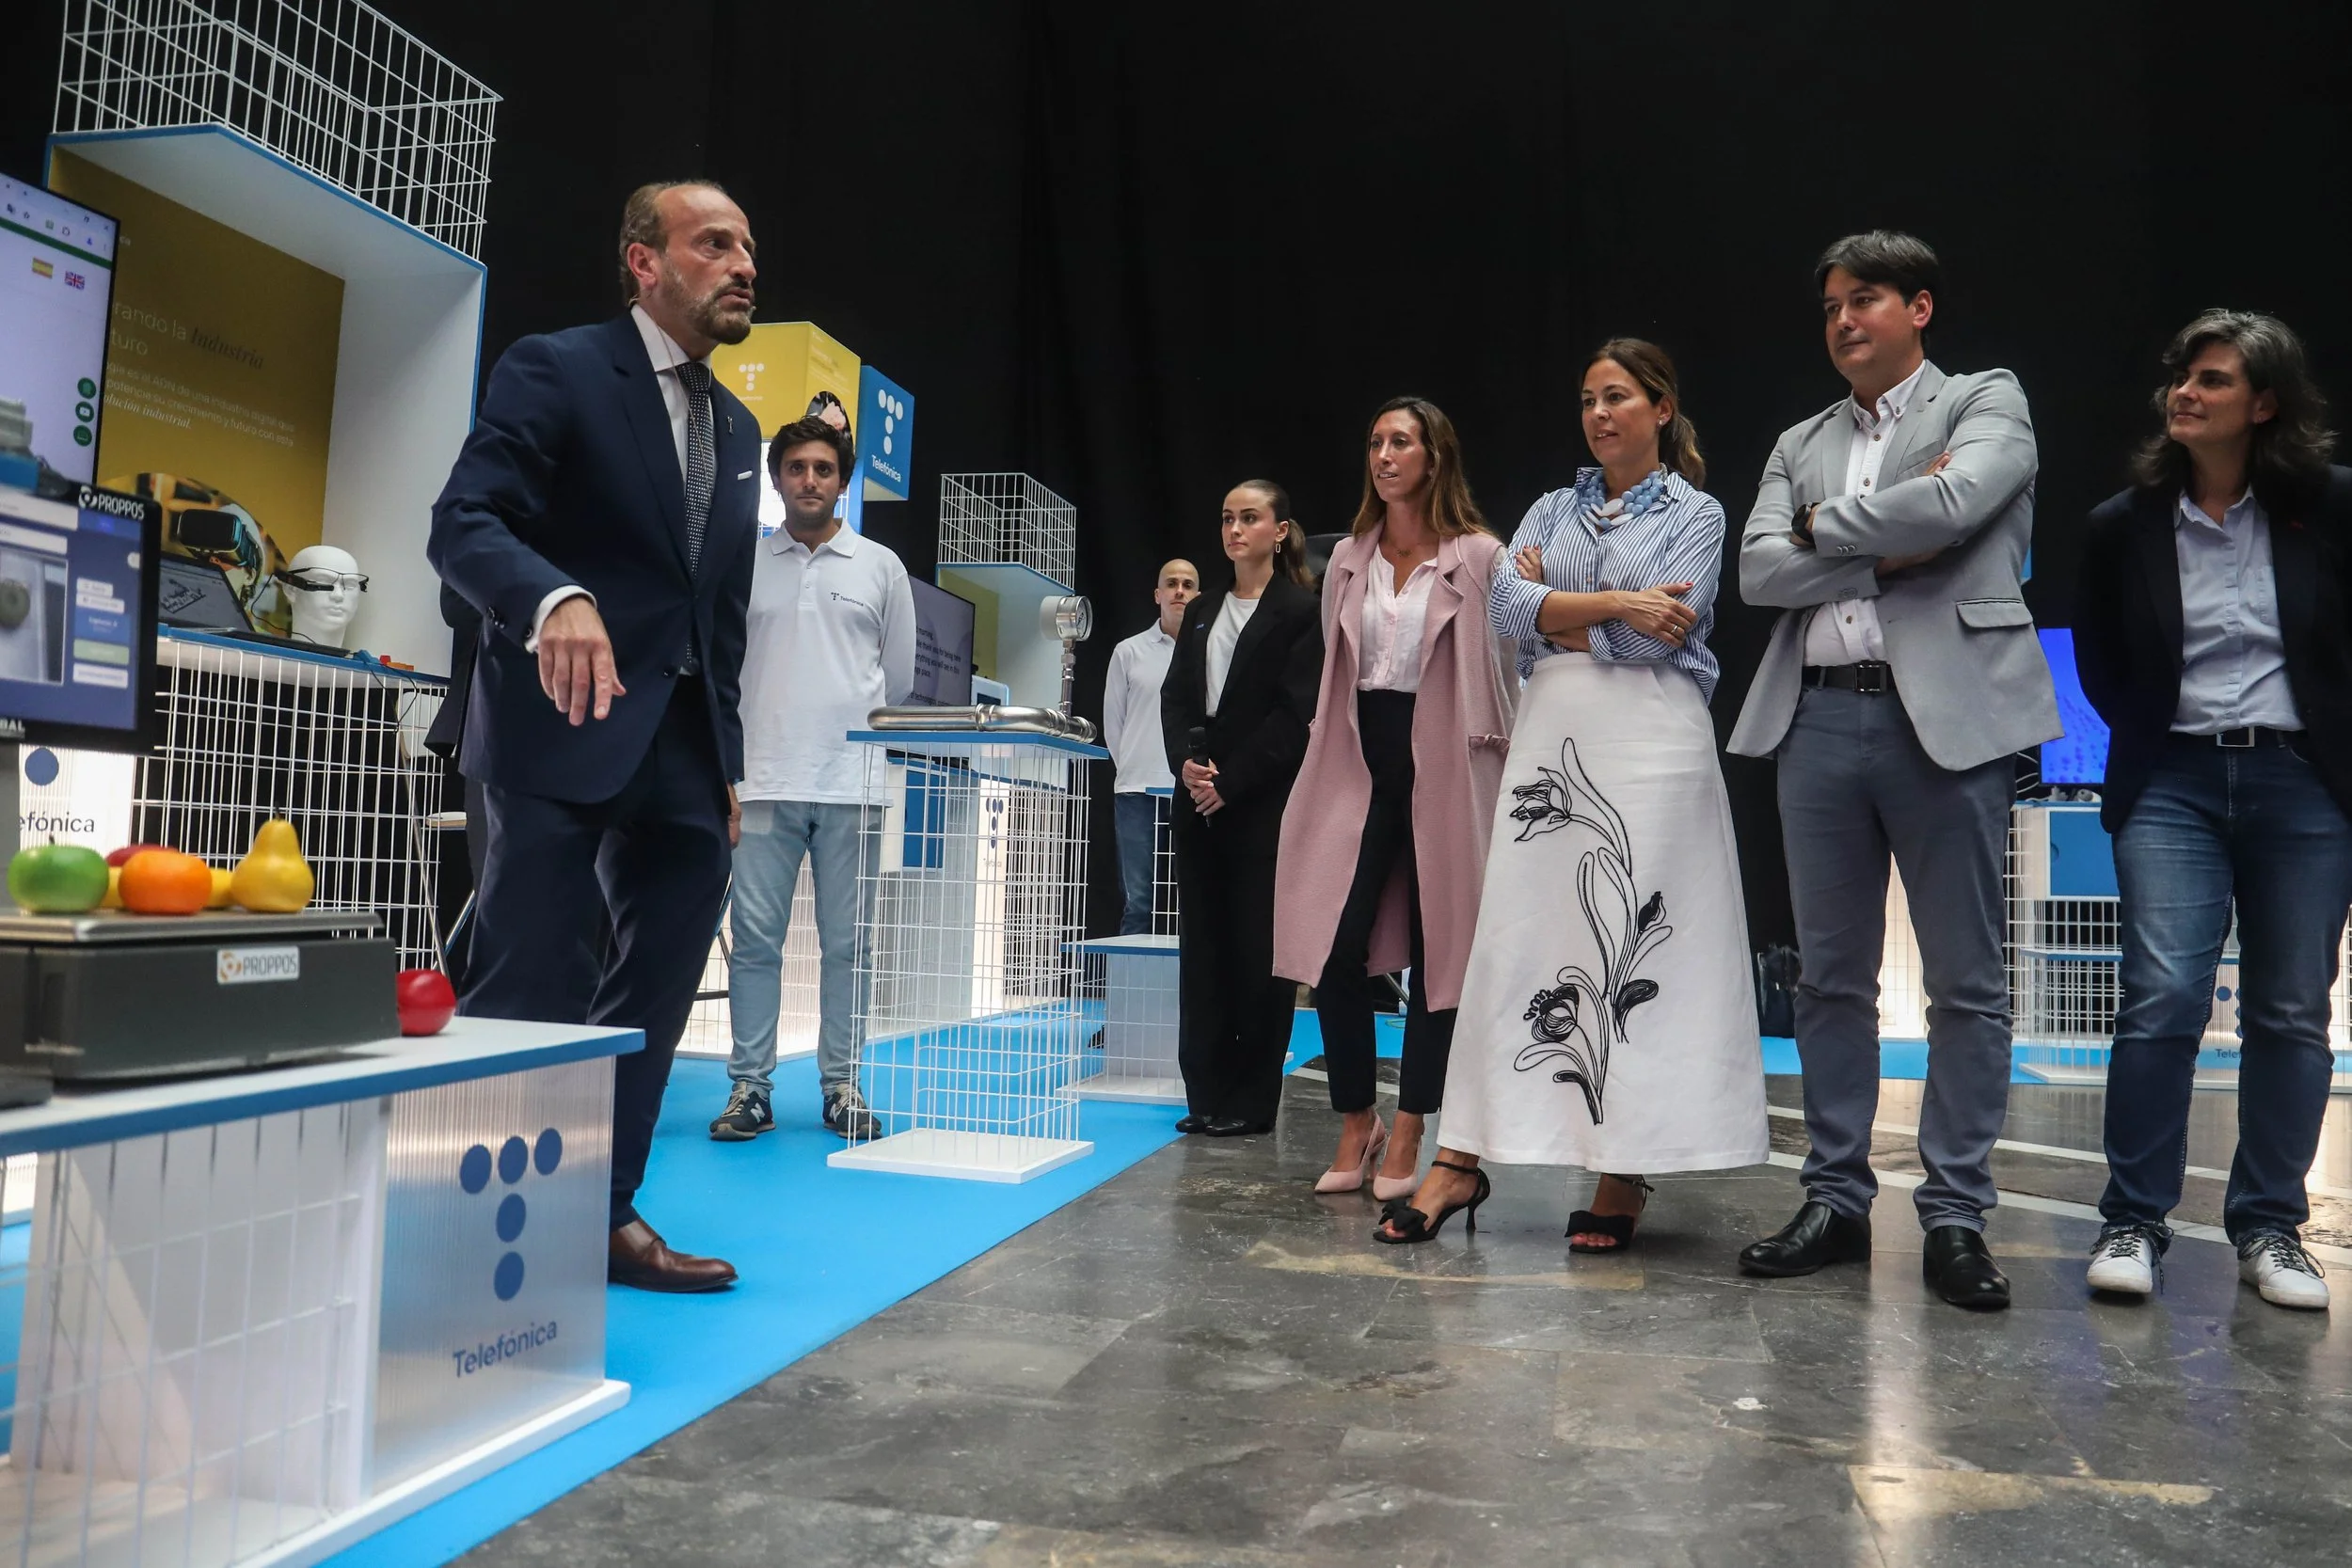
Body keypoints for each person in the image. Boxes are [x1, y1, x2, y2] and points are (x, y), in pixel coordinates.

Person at [428, 180, 763, 1293]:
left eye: (747, 249)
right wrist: (550, 596)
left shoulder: (739, 426)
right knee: (531, 979)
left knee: (656, 989)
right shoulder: (555, 367)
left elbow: (716, 618)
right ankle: (468, 1236)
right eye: (713, 244)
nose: (741, 265)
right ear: (643, 262)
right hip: (555, 726)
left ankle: (597, 1210)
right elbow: (464, 521)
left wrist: (728, 770)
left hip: (680, 752)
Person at [1726, 230, 2057, 1310]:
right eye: (1828, 305)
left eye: (1862, 299)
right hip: (1817, 723)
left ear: (1918, 306)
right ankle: (1834, 1195)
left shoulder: (1981, 400)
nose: (1840, 320)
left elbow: (1958, 507)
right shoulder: (1797, 436)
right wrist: (1874, 545)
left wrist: (1825, 529)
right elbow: (1758, 569)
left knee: (1967, 983)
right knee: (1827, 980)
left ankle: (1956, 1213)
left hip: (1943, 724)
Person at [1376, 344, 1768, 1245]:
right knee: (1517, 939)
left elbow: (1660, 640)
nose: (1599, 413)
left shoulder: (1699, 513)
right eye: (1588, 398)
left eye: (1618, 396)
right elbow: (1505, 613)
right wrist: (1621, 603)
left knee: (1633, 945)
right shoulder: (1551, 506)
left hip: (1655, 745)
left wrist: (1571, 606)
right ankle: (1459, 1157)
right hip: (1552, 740)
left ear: (1661, 407)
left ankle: (1621, 1168)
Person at [2073, 310, 2352, 1310]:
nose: (2183, 394)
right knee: (2160, 1000)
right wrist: (2160, 735)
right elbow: (2105, 665)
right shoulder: (2122, 524)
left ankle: (2271, 1227)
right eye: (2180, 377)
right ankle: (2133, 1219)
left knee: (2289, 1008)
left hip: (2304, 782)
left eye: (2211, 380)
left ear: (2264, 403)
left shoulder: (2329, 507)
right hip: (2174, 782)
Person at [1272, 399, 1514, 1201]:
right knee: (1334, 946)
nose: (1383, 454)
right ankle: (1356, 1119)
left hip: (1444, 755)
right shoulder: (1346, 556)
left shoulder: (1479, 555)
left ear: (1434, 455)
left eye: (1399, 441)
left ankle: (1411, 1123)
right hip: (1355, 753)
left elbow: (1504, 666)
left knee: (1439, 950)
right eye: (1374, 440)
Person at [710, 414, 915, 1144]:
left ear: (843, 480)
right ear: (777, 479)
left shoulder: (881, 566)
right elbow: (723, 668)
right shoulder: (743, 559)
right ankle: (749, 1088)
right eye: (795, 468)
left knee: (848, 945)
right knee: (757, 941)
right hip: (762, 778)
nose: (809, 481)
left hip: (852, 781)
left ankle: (843, 1087)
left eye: (823, 469)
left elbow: (897, 678)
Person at [1161, 482, 1324, 1136]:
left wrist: (1234, 779)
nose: (1235, 530)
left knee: (1257, 952)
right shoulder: (1200, 610)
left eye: (1249, 518)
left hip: (1261, 804)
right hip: (1197, 801)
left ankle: (1252, 1100)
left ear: (1279, 530)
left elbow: (1296, 714)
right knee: (1202, 949)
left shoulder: (1299, 611)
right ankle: (1204, 1092)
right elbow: (1176, 699)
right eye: (1227, 518)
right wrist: (1185, 764)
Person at [1102, 560, 1200, 934]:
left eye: (1188, 585)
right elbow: (1114, 724)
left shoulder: (1208, 653)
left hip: (1190, 790)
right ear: (1158, 595)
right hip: (1137, 790)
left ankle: (1189, 993)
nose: (1179, 590)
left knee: (1192, 898)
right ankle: (1131, 992)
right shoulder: (1129, 652)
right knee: (1139, 901)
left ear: (1197, 596)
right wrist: (1133, 766)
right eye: (1172, 583)